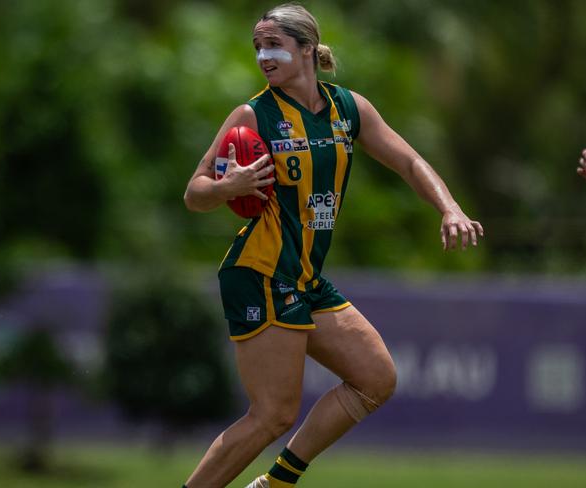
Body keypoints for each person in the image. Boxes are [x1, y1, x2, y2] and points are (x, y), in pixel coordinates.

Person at [183, 4, 484, 487]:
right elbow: (193, 192)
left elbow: (409, 162)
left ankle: (277, 481)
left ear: (306, 49)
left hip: (304, 276)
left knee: (375, 378)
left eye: (274, 45)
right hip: (261, 271)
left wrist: (449, 207)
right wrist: (224, 188)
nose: (264, 55)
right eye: (258, 46)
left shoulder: (348, 108)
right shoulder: (253, 114)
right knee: (272, 415)